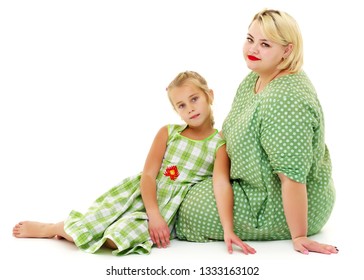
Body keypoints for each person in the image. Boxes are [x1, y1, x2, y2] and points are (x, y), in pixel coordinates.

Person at [12, 71, 252, 256]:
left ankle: (77, 231)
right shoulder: (168, 133)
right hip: (141, 195)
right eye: (181, 105)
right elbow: (148, 176)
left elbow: (221, 184)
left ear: (209, 95)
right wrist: (153, 212)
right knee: (92, 224)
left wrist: (227, 229)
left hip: (170, 206)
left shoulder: (219, 143)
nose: (190, 108)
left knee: (119, 239)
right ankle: (52, 228)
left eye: (194, 99)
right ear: (176, 111)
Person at [175, 9, 338, 255]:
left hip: (280, 204)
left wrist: (300, 235)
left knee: (186, 205)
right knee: (171, 182)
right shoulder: (256, 77)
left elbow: (291, 177)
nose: (252, 49)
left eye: (265, 44)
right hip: (251, 185)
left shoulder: (286, 98)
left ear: (287, 50)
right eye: (250, 39)